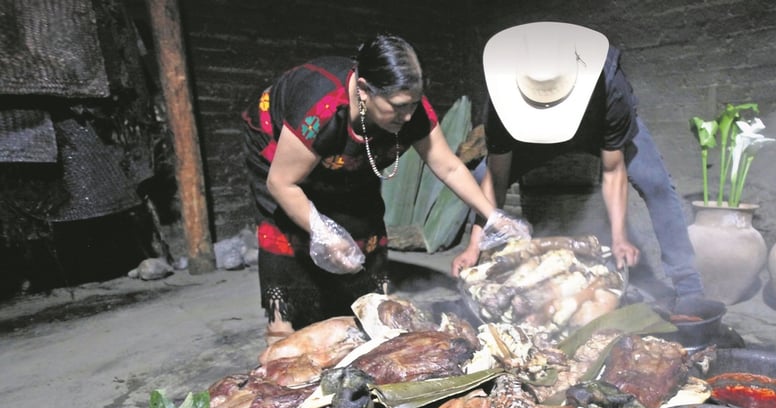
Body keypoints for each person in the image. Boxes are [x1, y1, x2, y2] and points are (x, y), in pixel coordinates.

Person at [243, 34, 505, 344]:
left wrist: (494, 216)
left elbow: (448, 166)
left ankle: (367, 304)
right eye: (398, 107)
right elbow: (281, 183)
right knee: (288, 228)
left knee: (361, 212)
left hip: (346, 150)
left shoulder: (406, 110)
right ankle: (281, 328)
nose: (408, 116)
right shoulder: (321, 108)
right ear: (364, 89)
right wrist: (320, 230)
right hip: (280, 148)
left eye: (413, 104)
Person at [451, 22, 705, 307]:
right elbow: (496, 179)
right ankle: (484, 274)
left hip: (594, 127)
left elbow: (613, 169)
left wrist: (620, 236)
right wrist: (473, 246)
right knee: (479, 174)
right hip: (529, 134)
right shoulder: (502, 99)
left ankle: (688, 286)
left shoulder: (609, 85)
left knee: (656, 183)